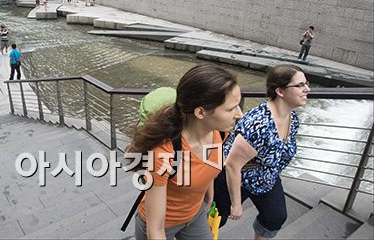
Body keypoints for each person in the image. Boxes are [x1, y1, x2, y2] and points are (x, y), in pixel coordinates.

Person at [128, 64, 243, 240]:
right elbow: (155, 229)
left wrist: (209, 195)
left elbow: (208, 164)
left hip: (195, 215)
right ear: (200, 112)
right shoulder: (163, 154)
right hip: (162, 225)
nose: (240, 114)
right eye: (231, 108)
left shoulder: (220, 132)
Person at [213, 64, 310, 240]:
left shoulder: (292, 118)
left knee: (275, 217)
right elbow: (233, 166)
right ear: (280, 91)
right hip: (236, 179)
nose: (307, 89)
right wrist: (236, 204)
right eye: (300, 85)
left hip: (266, 177)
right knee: (216, 220)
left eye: (306, 83)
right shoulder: (259, 125)